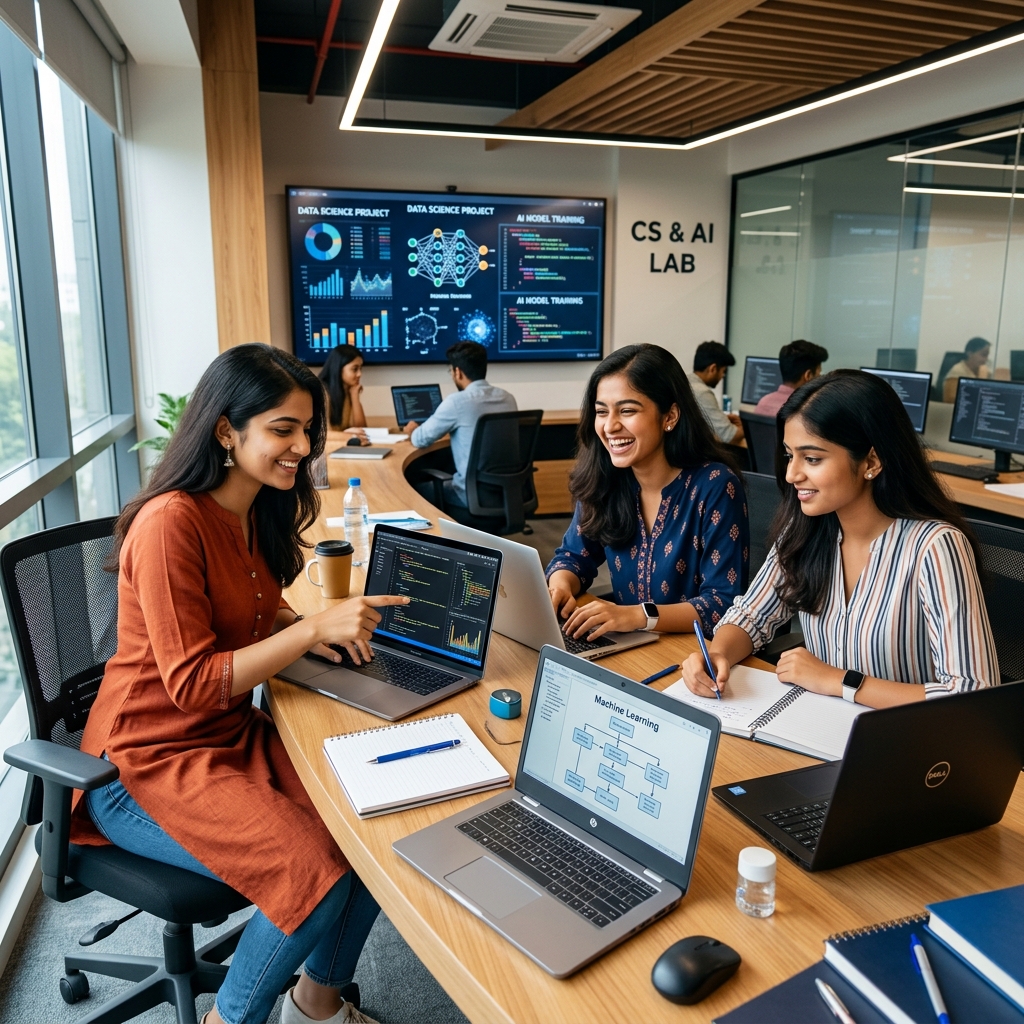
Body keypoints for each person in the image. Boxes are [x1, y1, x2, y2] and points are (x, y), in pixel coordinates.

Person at [71, 344, 410, 1024]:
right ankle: (229, 1017)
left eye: (306, 429)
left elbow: (253, 602)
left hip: (227, 736)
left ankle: (315, 1006)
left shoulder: (254, 506)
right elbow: (194, 684)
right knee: (312, 873)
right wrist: (310, 633)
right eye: (283, 429)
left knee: (367, 826)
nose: (302, 447)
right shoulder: (170, 523)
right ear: (226, 431)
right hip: (145, 764)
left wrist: (312, 629)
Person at [681, 369, 999, 709]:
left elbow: (972, 695)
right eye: (790, 455)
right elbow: (752, 616)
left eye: (812, 459)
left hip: (905, 736)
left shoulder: (934, 547)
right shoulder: (806, 530)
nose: (791, 474)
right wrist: (718, 654)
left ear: (871, 461)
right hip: (820, 722)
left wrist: (838, 681)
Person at [546, 344, 749, 640]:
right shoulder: (604, 478)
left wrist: (638, 616)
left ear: (670, 416)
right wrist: (560, 584)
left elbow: (722, 603)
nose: (610, 426)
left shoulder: (715, 485)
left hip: (695, 652)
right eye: (601, 412)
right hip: (630, 644)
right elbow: (574, 556)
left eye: (627, 411)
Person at [405, 340, 517, 508]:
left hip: (469, 495)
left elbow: (420, 439)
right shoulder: (507, 398)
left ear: (457, 372)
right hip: (508, 493)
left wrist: (412, 430)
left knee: (411, 488)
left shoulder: (457, 402)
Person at [754, 339, 829, 417]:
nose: (820, 378)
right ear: (808, 375)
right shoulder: (810, 411)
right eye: (819, 374)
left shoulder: (763, 403)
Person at [687, 341, 743, 443]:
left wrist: (722, 421)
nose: (722, 376)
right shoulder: (702, 393)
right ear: (713, 369)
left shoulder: (685, 381)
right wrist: (745, 427)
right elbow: (730, 437)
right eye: (724, 371)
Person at [318, 344, 368, 434]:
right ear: (338, 368)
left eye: (360, 368)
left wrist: (355, 397)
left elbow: (361, 429)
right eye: (355, 369)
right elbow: (322, 435)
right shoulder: (321, 392)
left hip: (342, 442)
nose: (359, 374)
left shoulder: (349, 390)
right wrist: (348, 435)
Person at [942, 336, 991, 402]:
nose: (986, 359)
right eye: (983, 355)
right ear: (970, 354)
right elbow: (949, 399)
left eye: (987, 355)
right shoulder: (957, 371)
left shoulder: (984, 370)